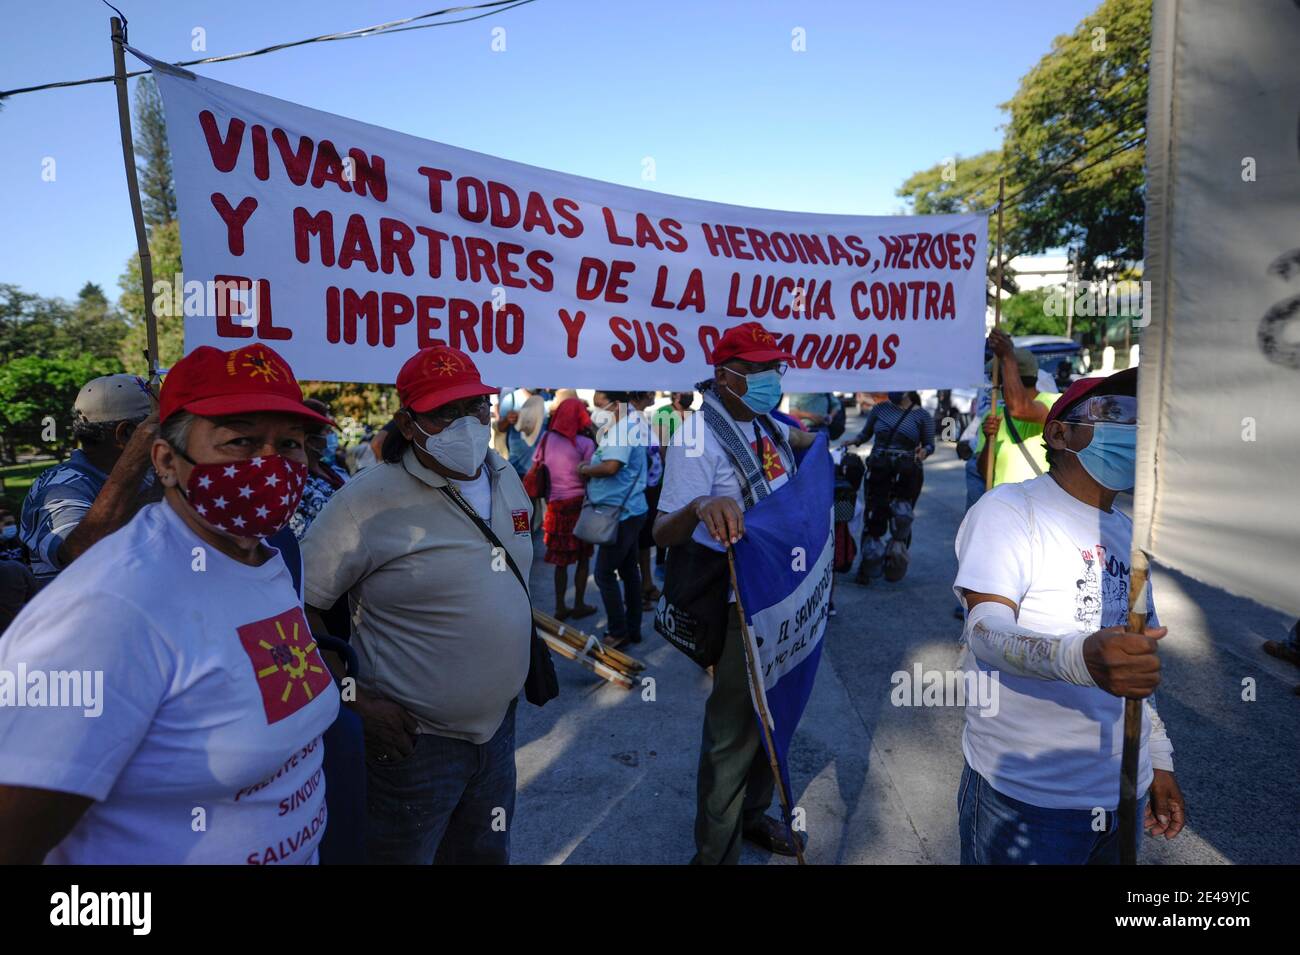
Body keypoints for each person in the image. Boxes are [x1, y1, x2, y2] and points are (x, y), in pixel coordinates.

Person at [0, 343, 340, 863]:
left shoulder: (263, 558)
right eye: (241, 440)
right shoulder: (108, 607)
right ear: (164, 459)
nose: (272, 465)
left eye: (291, 443)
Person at [302, 345, 532, 865]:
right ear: (408, 424)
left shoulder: (504, 475)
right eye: (443, 413)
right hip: (411, 744)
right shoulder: (366, 501)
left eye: (473, 407)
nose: (463, 424)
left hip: (497, 730)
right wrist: (355, 699)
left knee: (482, 855)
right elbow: (299, 612)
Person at [952, 367, 1186, 864]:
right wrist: (1078, 657)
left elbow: (1135, 660)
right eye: (1114, 412)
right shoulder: (1010, 510)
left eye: (1142, 416)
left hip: (1125, 789)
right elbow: (986, 631)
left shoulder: (1131, 534)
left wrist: (1158, 760)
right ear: (1059, 432)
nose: (1135, 428)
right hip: (1027, 798)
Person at [654, 321, 816, 864]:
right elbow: (661, 532)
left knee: (773, 720)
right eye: (759, 369)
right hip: (737, 606)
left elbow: (796, 468)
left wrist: (816, 450)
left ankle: (753, 815)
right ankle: (715, 853)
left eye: (776, 366)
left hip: (782, 599)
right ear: (726, 376)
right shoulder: (698, 436)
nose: (772, 377)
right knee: (732, 734)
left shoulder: (768, 425)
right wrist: (701, 506)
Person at [19, 373, 159, 587]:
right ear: (126, 434)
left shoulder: (149, 473)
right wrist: (136, 465)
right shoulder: (60, 487)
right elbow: (79, 553)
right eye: (157, 426)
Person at [578, 391, 649, 643]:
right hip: (628, 510)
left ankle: (618, 631)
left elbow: (611, 467)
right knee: (629, 570)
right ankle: (633, 628)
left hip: (622, 513)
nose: (597, 412)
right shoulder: (627, 426)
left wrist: (585, 469)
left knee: (604, 574)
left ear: (616, 405)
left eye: (600, 406)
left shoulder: (623, 430)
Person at [845, 390, 934, 584]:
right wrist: (855, 441)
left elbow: (930, 444)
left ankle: (895, 563)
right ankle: (866, 565)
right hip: (878, 470)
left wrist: (923, 452)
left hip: (907, 473)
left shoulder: (922, 415)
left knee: (902, 517)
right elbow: (866, 433)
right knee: (873, 516)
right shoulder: (879, 409)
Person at [975, 330, 1061, 488]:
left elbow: (1020, 409)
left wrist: (1007, 356)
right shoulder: (992, 415)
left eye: (999, 376)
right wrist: (989, 441)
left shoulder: (1053, 402)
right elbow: (983, 472)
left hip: (1039, 505)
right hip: (1004, 507)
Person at [540, 396, 598, 620]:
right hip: (581, 506)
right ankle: (580, 603)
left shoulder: (546, 438)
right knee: (583, 558)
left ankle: (559, 607)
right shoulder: (586, 443)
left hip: (556, 507)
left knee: (560, 561)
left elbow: (540, 465)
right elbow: (592, 474)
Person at [288, 398, 346, 541]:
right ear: (310, 440)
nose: (333, 436)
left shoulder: (332, 469)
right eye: (327, 431)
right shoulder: (297, 484)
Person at [631, 392, 664, 610]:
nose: (655, 394)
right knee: (635, 542)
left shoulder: (641, 417)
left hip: (650, 489)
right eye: (651, 391)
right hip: (638, 491)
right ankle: (637, 594)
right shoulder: (630, 418)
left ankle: (647, 583)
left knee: (644, 542)